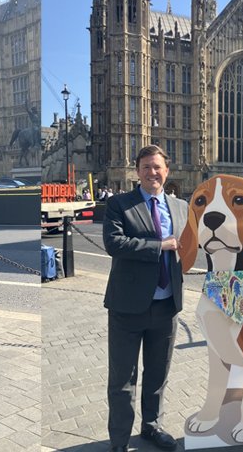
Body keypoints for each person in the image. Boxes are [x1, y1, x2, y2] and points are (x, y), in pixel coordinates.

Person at [103, 145, 188, 452]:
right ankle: (119, 441)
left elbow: (190, 246)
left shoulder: (180, 207)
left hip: (167, 305)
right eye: (146, 167)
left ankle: (152, 426)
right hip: (128, 306)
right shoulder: (120, 204)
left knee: (157, 374)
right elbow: (114, 243)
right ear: (137, 170)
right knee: (123, 381)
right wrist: (159, 245)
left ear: (167, 171)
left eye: (158, 167)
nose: (153, 172)